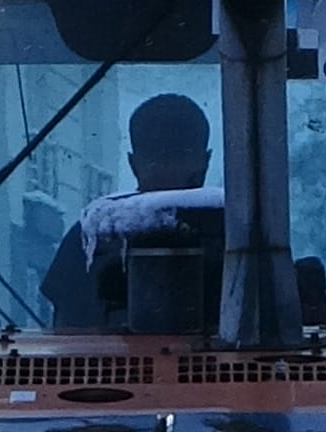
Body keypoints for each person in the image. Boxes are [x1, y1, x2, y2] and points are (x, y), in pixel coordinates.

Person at [40, 93, 212, 329]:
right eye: (161, 159)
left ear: (133, 164)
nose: (169, 171)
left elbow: (67, 344)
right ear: (206, 161)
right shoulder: (241, 242)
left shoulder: (90, 236)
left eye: (175, 157)